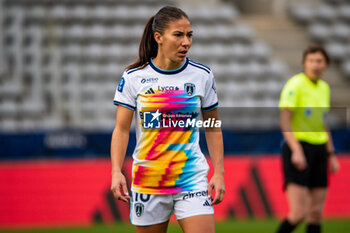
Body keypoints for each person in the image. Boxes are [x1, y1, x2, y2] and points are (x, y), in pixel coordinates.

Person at [110, 6, 225, 233]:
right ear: (158, 37)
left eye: (189, 35)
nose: (186, 42)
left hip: (191, 178)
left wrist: (219, 173)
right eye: (178, 35)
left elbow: (213, 127)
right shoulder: (134, 77)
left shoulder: (202, 75)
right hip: (149, 180)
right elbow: (121, 130)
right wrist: (116, 171)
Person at [276, 44, 340, 233]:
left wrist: (332, 153)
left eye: (319, 61)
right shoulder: (295, 85)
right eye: (311, 61)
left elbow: (323, 122)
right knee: (298, 213)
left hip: (320, 150)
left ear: (326, 65)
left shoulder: (324, 88)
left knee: (316, 213)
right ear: (304, 63)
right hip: (299, 148)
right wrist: (296, 150)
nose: (315, 65)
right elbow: (285, 121)